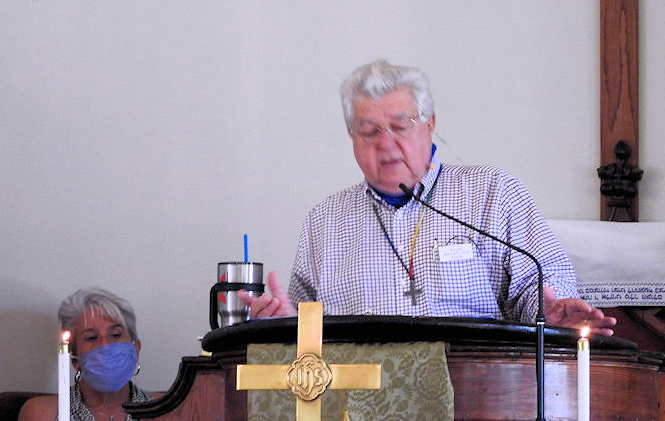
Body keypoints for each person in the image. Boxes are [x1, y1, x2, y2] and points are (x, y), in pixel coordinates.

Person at [242, 59, 616, 335]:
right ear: (352, 137)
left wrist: (549, 314)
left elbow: (541, 287)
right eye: (369, 131)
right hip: (356, 398)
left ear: (430, 124)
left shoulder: (493, 193)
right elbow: (304, 328)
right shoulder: (325, 220)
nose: (386, 143)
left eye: (400, 126)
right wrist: (281, 324)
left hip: (475, 390)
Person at [19, 287, 156, 421]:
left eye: (115, 334)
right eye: (91, 338)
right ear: (75, 360)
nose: (105, 345)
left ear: (135, 348)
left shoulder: (162, 411)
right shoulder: (42, 414)